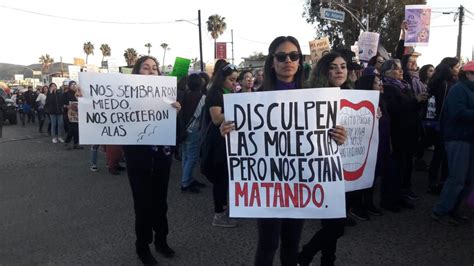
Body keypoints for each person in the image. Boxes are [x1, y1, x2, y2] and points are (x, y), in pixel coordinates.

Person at [219, 37, 346, 266]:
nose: (288, 60)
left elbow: (323, 139)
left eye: (294, 56)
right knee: (268, 244)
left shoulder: (315, 98)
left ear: (299, 61)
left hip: (298, 183)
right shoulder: (252, 100)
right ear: (272, 62)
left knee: (291, 244)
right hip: (268, 185)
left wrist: (339, 136)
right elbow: (241, 140)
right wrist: (227, 129)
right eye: (281, 56)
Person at [122, 56, 181, 265]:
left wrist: (177, 113)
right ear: (138, 72)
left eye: (154, 68)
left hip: (162, 160)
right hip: (138, 160)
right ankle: (143, 245)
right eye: (146, 68)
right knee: (142, 205)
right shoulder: (126, 97)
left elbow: (178, 133)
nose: (151, 71)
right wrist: (84, 98)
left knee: (161, 204)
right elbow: (106, 113)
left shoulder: (168, 98)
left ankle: (161, 240)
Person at [297, 51, 349, 266]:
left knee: (332, 222)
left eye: (343, 66)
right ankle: (305, 255)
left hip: (344, 169)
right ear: (323, 70)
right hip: (320, 169)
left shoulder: (351, 95)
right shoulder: (311, 97)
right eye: (333, 67)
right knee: (336, 224)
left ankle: (327, 261)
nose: (339, 70)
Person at [380, 59, 428, 206]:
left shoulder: (404, 86)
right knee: (397, 166)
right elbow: (395, 110)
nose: (401, 71)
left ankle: (403, 192)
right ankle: (393, 197)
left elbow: (410, 108)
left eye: (401, 68)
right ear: (386, 73)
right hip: (397, 133)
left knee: (406, 164)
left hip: (409, 132)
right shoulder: (387, 88)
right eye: (396, 69)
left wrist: (420, 102)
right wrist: (415, 101)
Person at [432, 61, 474, 226]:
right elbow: (458, 113)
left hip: (469, 138)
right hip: (458, 138)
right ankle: (441, 211)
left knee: (468, 179)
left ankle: (454, 209)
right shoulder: (458, 89)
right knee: (457, 178)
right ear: (468, 74)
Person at [200, 62, 239, 227]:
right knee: (221, 180)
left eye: (236, 80)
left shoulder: (227, 92)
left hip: (226, 142)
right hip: (217, 144)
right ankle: (219, 215)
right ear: (222, 79)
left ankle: (225, 209)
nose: (234, 83)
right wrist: (238, 107)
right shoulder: (215, 94)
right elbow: (216, 119)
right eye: (231, 80)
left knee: (226, 178)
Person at [426, 57, 460, 194]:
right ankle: (435, 183)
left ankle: (441, 182)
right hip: (442, 122)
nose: (459, 69)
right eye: (457, 66)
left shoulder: (450, 81)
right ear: (449, 68)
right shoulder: (444, 83)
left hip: (446, 123)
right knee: (440, 155)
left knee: (444, 155)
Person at [179, 73, 206, 193]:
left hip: (183, 129)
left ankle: (187, 178)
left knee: (185, 154)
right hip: (194, 129)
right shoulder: (202, 97)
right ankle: (185, 182)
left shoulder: (184, 95)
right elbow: (200, 116)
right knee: (193, 157)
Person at [63, 81, 83, 150]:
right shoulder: (65, 94)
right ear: (69, 86)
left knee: (76, 129)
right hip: (68, 114)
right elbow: (62, 104)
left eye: (75, 84)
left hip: (77, 113)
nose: (74, 86)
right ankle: (67, 142)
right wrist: (66, 106)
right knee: (71, 129)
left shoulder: (78, 93)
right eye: (72, 84)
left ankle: (76, 143)